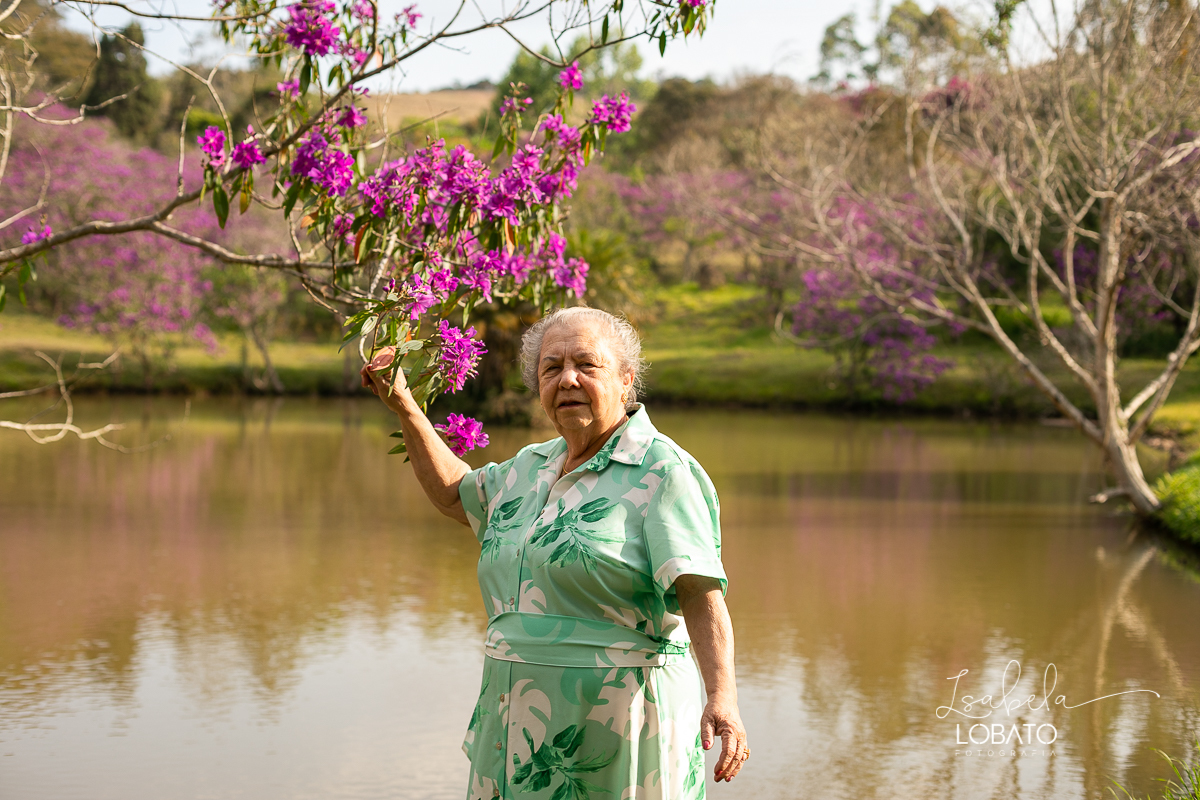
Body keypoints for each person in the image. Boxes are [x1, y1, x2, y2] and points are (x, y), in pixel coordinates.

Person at [361, 307, 748, 799]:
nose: (567, 379)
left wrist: (723, 697)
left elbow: (700, 592)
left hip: (616, 726)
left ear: (627, 379)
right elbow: (454, 495)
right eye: (551, 367)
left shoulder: (663, 471)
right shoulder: (530, 466)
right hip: (517, 726)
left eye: (587, 364)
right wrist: (404, 405)